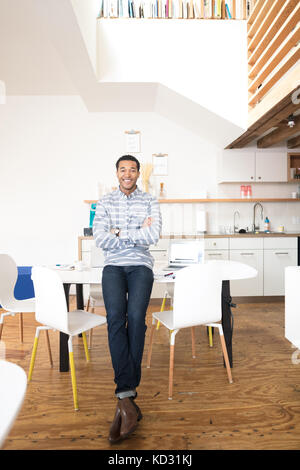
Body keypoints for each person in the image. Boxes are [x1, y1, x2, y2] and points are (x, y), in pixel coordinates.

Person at [93, 155, 162, 444]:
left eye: (133, 170)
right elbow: (99, 237)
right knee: (114, 320)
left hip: (141, 267)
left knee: (135, 319)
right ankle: (127, 396)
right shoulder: (106, 202)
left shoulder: (150, 200)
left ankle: (124, 397)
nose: (128, 174)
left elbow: (154, 234)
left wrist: (118, 232)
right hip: (113, 267)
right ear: (117, 173)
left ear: (137, 174)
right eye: (123, 169)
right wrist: (135, 233)